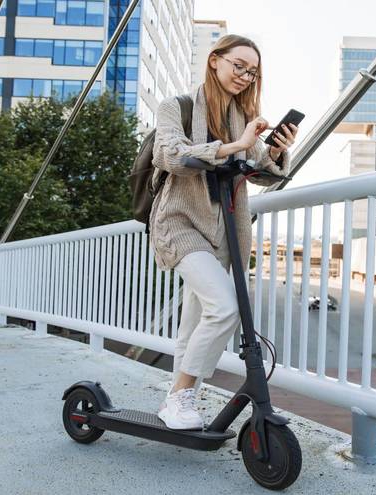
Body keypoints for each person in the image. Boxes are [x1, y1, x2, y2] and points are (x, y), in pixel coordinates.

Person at [149, 34, 299, 430]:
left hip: (224, 232)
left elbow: (262, 173)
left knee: (197, 320)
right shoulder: (176, 107)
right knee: (224, 308)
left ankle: (178, 403)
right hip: (180, 223)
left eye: (253, 72)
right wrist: (235, 145)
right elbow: (170, 155)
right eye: (239, 66)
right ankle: (181, 395)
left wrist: (276, 150)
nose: (246, 76)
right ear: (215, 60)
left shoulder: (241, 118)